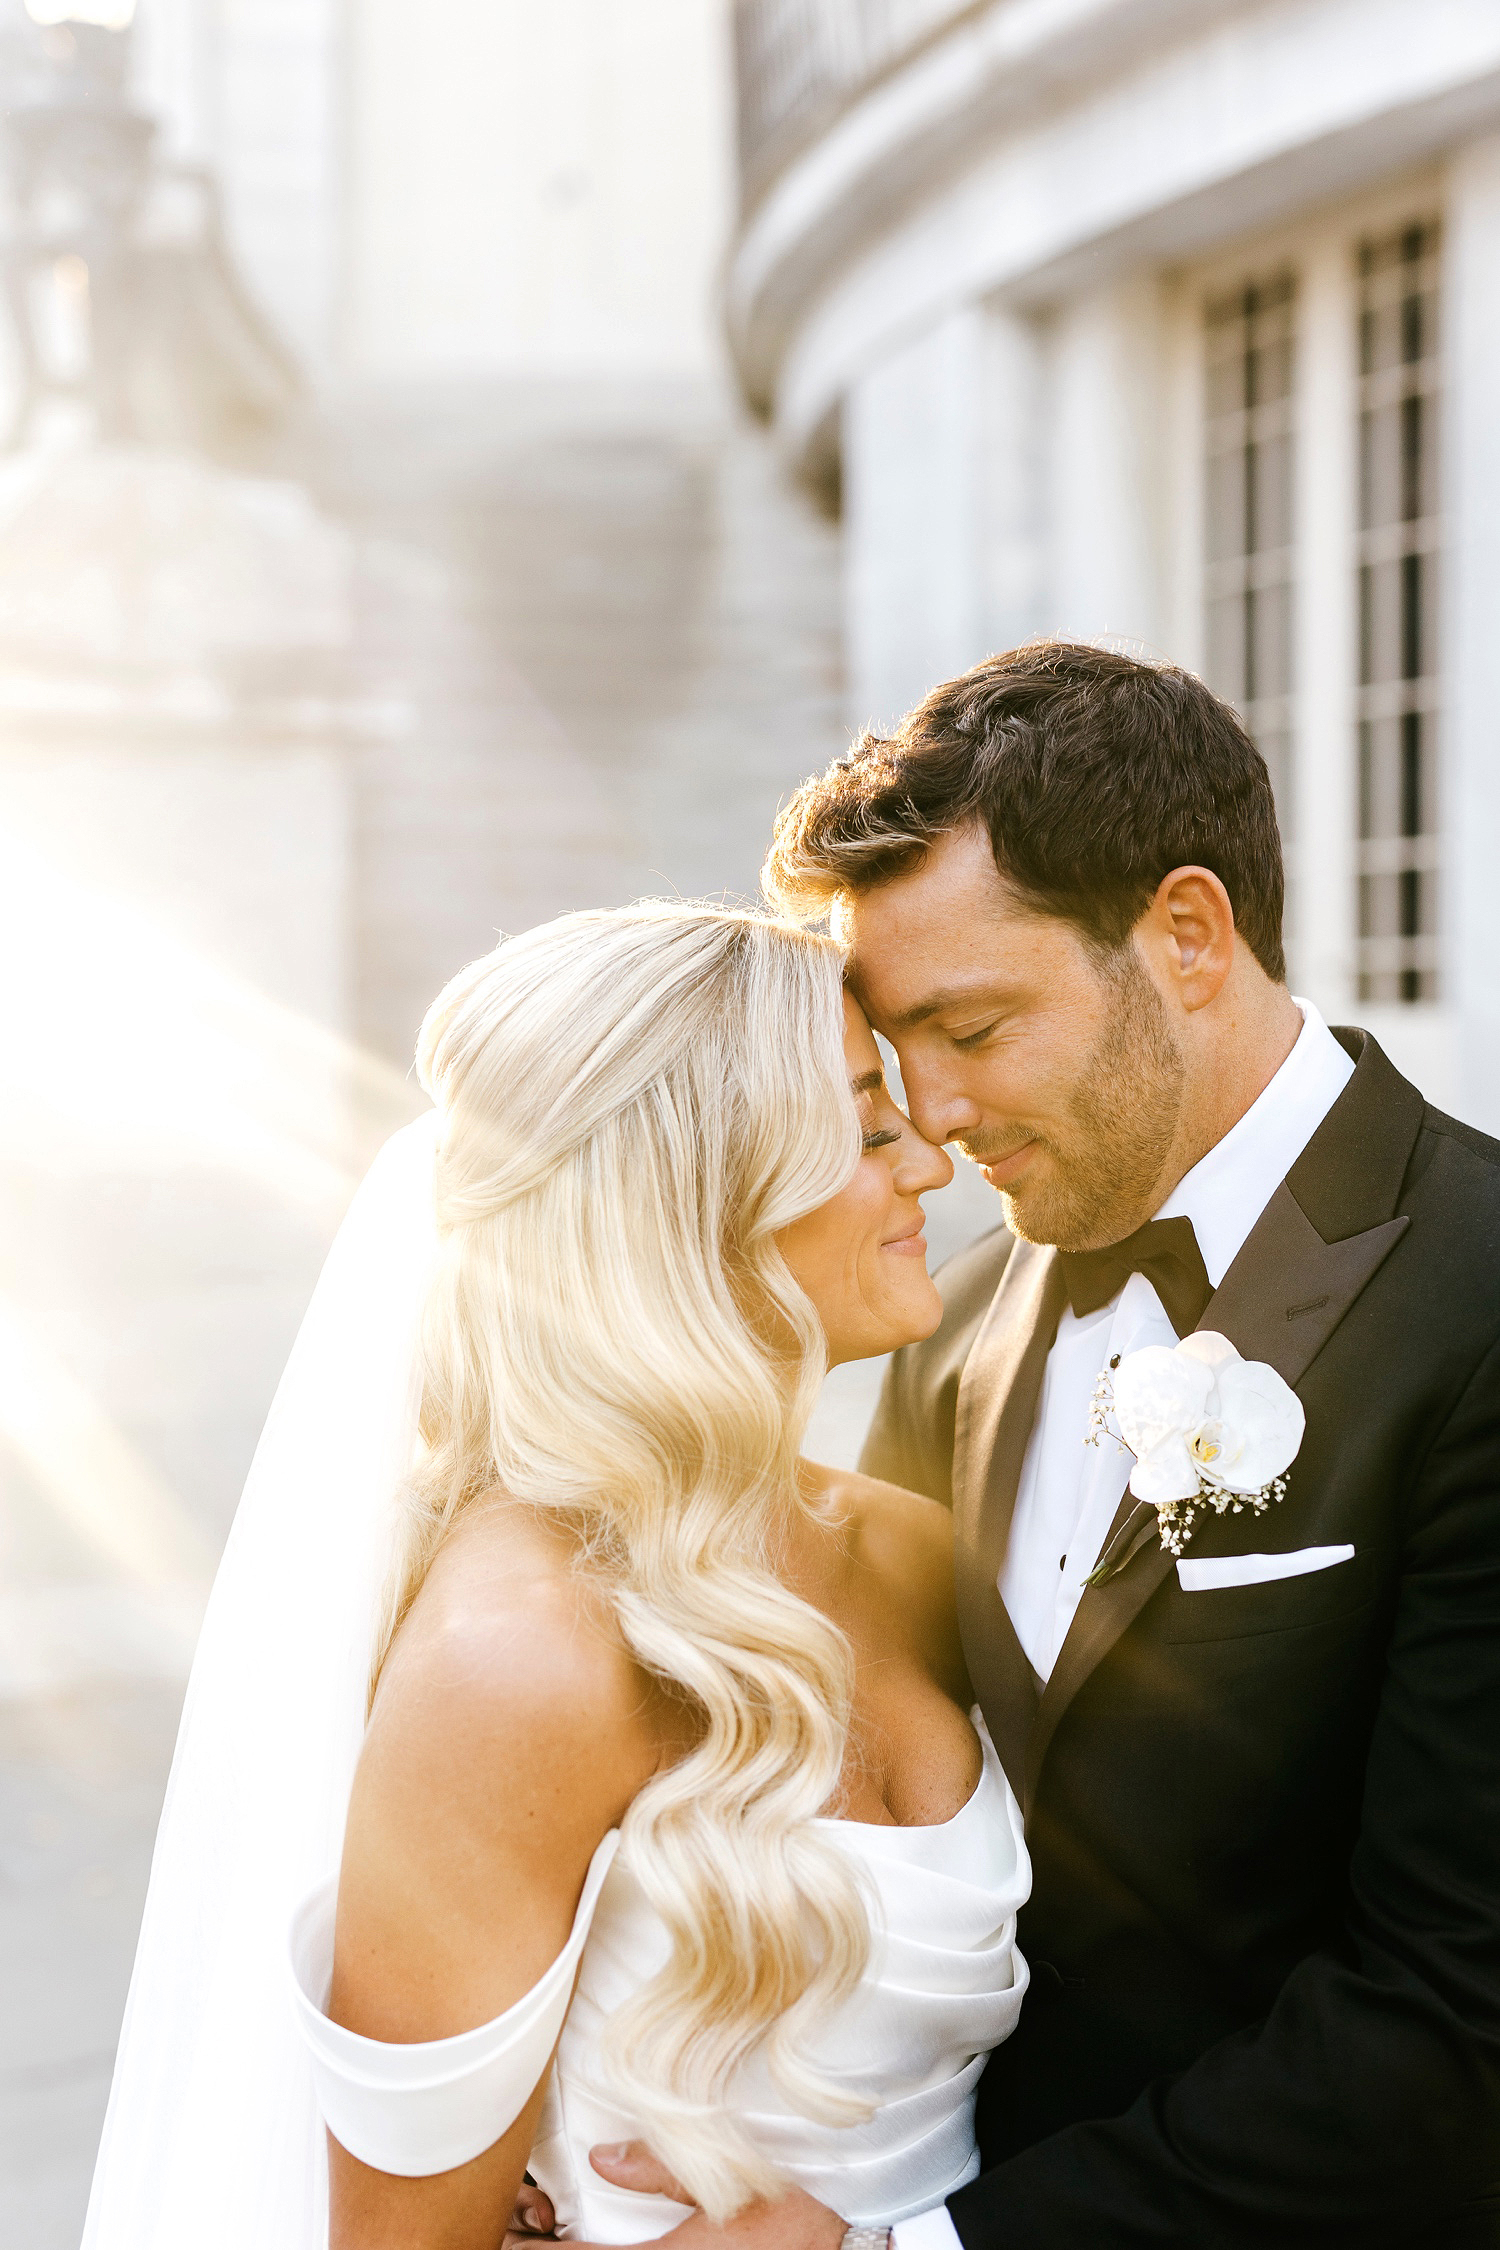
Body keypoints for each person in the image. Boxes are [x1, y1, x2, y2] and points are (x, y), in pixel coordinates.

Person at [647, 637, 1494, 2250]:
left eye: (972, 1026)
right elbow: (861, 1807)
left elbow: (1457, 2027)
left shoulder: (1481, 1297)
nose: (936, 1119)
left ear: (1185, 933)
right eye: (903, 1056)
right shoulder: (958, 1326)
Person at [82, 901, 1030, 2250]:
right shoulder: (520, 1652)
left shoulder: (903, 1542)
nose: (930, 1164)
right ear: (702, 1197)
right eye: (871, 1129)